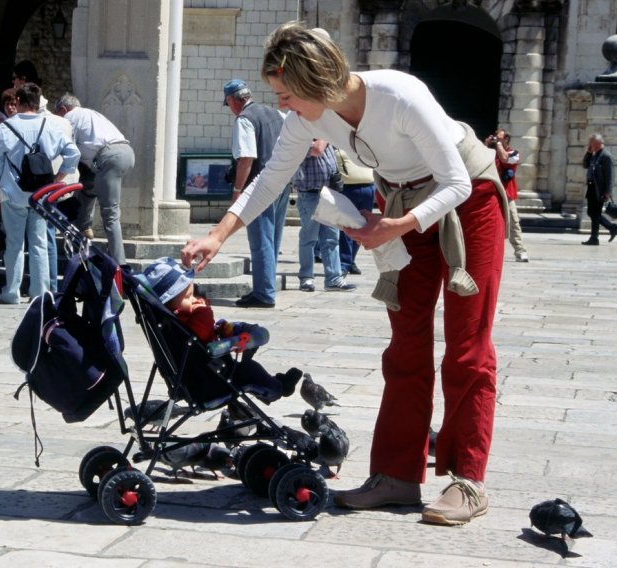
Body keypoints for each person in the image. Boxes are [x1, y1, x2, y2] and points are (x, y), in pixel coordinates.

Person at [181, 22, 508, 526]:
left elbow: (457, 181)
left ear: (316, 82)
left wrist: (399, 224)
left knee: (467, 345)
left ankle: (468, 480)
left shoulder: (399, 95)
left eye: (287, 95)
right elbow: (271, 178)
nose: (282, 106)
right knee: (405, 343)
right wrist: (218, 235)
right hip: (399, 203)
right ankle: (397, 476)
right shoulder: (308, 117)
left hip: (468, 200)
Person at [141, 257, 303, 403]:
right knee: (251, 370)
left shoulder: (170, 322)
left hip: (198, 375)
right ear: (169, 305)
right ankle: (279, 388)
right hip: (210, 381)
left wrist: (217, 329)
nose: (195, 299)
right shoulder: (185, 320)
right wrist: (204, 310)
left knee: (250, 370)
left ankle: (275, 382)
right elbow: (203, 332)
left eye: (193, 295)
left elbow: (203, 334)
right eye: (187, 298)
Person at [0, 83, 79, 304]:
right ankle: (40, 292)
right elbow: (73, 153)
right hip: (41, 194)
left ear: (18, 102)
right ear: (37, 104)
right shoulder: (52, 126)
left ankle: (12, 292)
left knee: (14, 243)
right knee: (39, 242)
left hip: (12, 193)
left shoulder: (5, 128)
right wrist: (58, 179)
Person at [223, 78, 290, 308]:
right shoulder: (275, 114)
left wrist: (237, 191)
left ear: (233, 100)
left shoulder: (245, 119)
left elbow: (246, 158)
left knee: (261, 239)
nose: (230, 108)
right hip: (281, 181)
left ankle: (264, 293)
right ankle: (267, 287)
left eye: (228, 103)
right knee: (273, 238)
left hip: (259, 186)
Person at [54, 93, 134, 265]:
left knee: (110, 214)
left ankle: (121, 264)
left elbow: (67, 150)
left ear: (63, 109)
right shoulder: (90, 114)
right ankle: (84, 226)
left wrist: (57, 177)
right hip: (125, 153)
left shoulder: (69, 117)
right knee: (88, 185)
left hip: (108, 157)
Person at [293, 139, 355, 292]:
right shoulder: (303, 134)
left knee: (332, 238)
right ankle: (306, 278)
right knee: (309, 238)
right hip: (310, 192)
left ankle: (334, 279)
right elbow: (317, 149)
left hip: (329, 192)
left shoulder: (325, 133)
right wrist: (324, 134)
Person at [486, 129, 528, 261]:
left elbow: (505, 159)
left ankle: (520, 251)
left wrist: (498, 144)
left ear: (506, 140)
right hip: (490, 193)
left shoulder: (513, 153)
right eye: (496, 138)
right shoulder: (489, 153)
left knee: (513, 222)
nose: (497, 140)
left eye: (500, 138)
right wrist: (485, 145)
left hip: (506, 194)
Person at [334, 147, 376, 276]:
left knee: (361, 226)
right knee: (347, 226)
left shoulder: (365, 144)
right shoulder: (336, 144)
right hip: (347, 188)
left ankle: (350, 260)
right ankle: (344, 262)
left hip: (368, 186)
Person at [582, 133, 617, 245]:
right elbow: (585, 165)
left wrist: (608, 191)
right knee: (592, 213)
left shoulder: (606, 156)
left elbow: (610, 175)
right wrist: (588, 153)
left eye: (591, 142)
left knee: (594, 213)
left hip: (599, 190)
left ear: (597, 143)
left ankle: (595, 237)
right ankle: (611, 228)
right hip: (591, 188)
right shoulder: (594, 155)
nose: (589, 144)